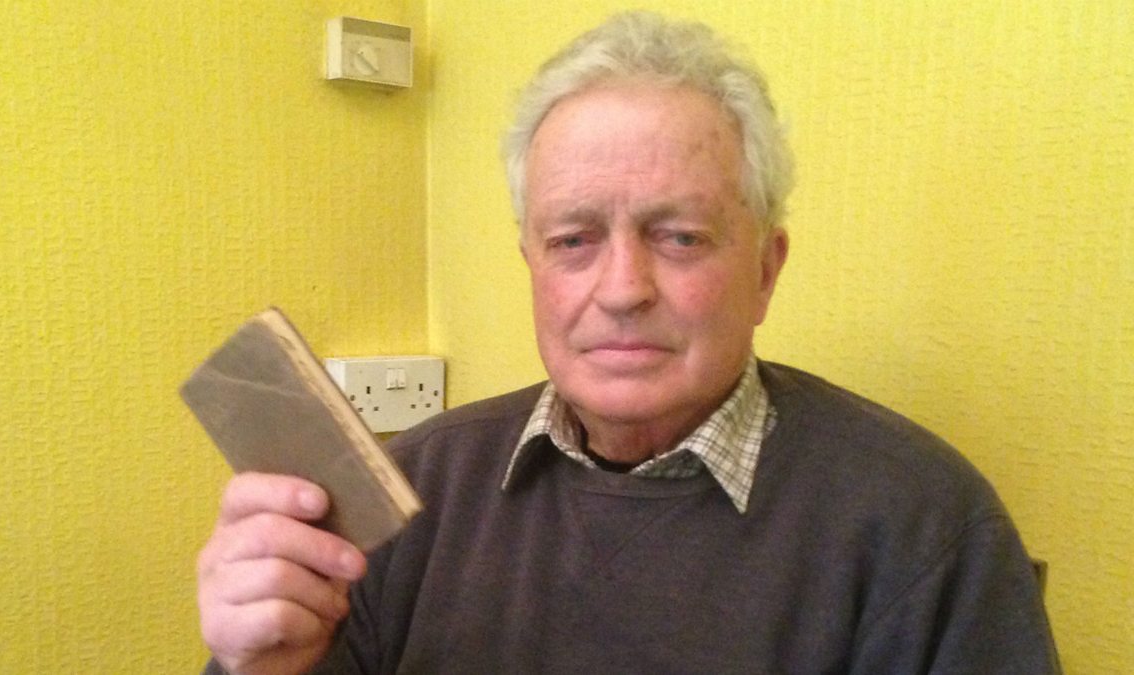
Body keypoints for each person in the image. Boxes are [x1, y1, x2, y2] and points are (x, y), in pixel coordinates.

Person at [197, 12, 1059, 674]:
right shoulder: (414, 491)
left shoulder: (924, 527)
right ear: (532, 264)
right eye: (573, 239)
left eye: (679, 236)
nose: (621, 288)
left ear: (765, 270)